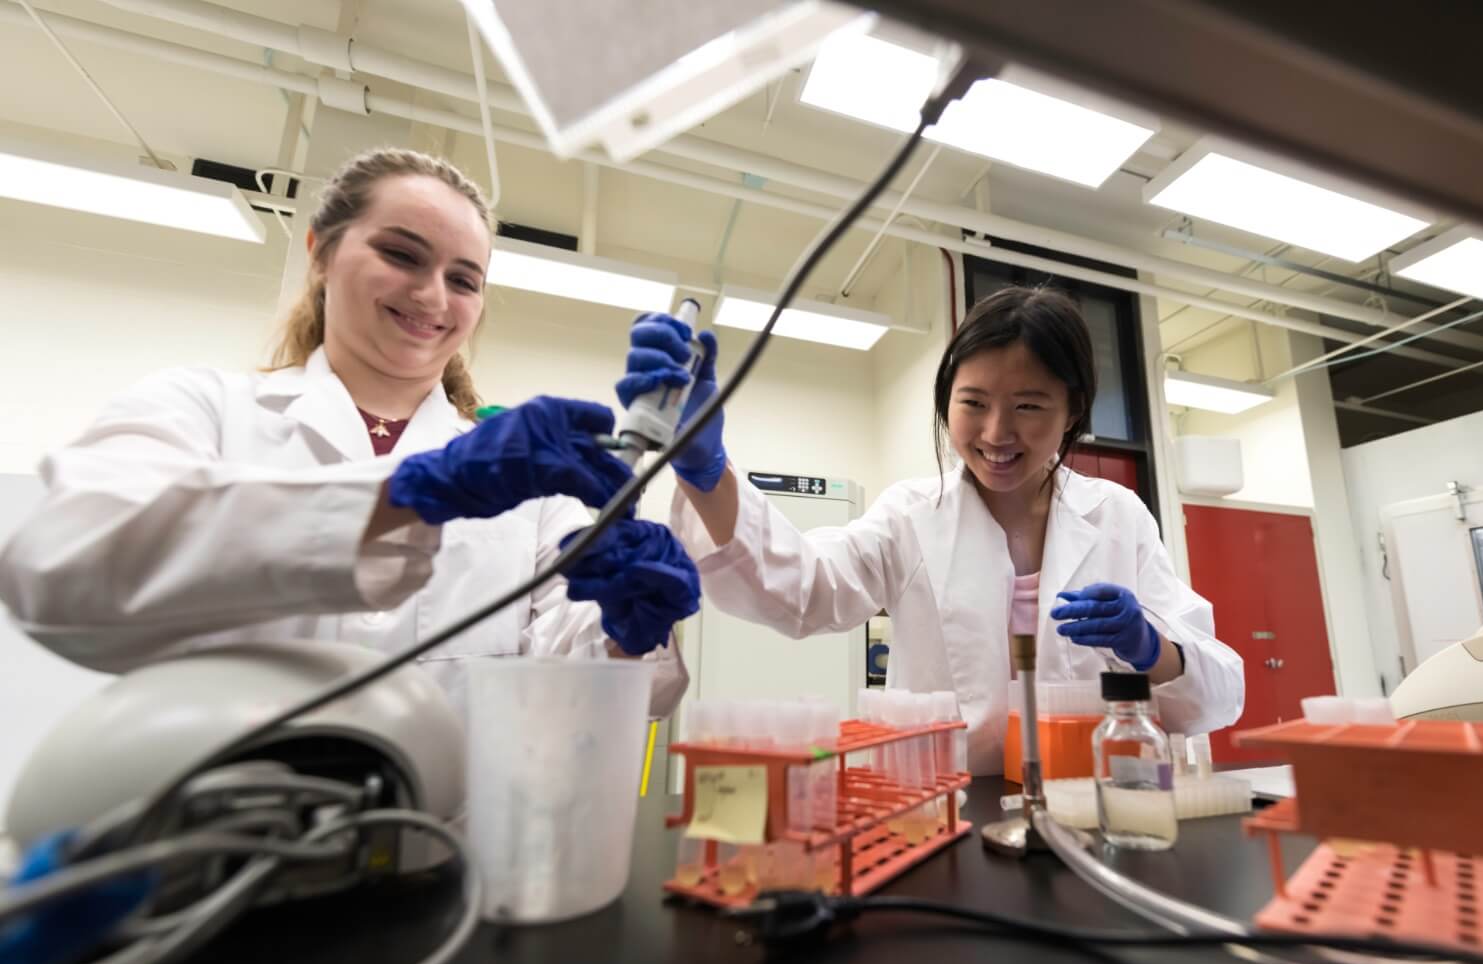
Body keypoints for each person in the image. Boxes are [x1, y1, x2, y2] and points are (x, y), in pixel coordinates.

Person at [0, 148, 699, 718]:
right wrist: (414, 492)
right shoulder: (204, 409)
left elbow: (571, 688)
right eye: (401, 254)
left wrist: (624, 631)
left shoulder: (535, 491)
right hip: (218, 843)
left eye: (465, 279)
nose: (432, 296)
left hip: (445, 848)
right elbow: (61, 572)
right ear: (321, 253)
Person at [619, 284, 1244, 771]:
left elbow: (1218, 690)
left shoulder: (1117, 517)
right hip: (945, 809)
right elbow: (804, 588)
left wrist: (1152, 648)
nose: (997, 433)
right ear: (946, 400)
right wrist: (708, 471)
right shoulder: (910, 515)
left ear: (1073, 409)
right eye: (973, 403)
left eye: (1028, 406)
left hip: (1088, 803)